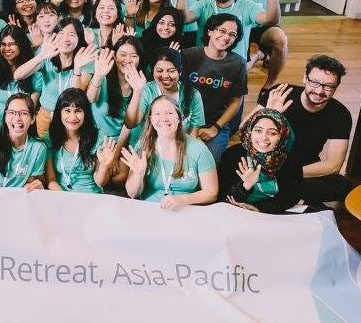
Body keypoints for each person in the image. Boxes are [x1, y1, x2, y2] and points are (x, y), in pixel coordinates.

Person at [249, 55, 353, 204]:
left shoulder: (340, 114)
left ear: (336, 87)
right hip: (268, 161)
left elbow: (333, 165)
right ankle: (288, 196)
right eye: (315, 82)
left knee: (344, 186)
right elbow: (244, 128)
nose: (319, 91)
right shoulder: (282, 93)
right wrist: (270, 113)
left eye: (328, 86)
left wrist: (289, 175)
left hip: (304, 168)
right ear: (305, 78)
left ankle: (275, 192)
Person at [121, 95, 218, 209]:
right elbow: (132, 194)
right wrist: (139, 174)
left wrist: (182, 199)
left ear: (179, 118)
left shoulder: (199, 149)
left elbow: (211, 193)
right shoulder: (143, 146)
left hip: (186, 211)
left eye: (170, 113)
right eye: (157, 114)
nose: (164, 118)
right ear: (151, 119)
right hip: (151, 209)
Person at [181, 13, 248, 162]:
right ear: (210, 31)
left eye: (232, 34)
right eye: (222, 31)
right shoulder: (188, 55)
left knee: (209, 163)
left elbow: (236, 101)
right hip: (185, 120)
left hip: (216, 123)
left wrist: (215, 128)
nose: (226, 37)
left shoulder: (238, 63)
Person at [219, 109, 304, 214]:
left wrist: (259, 208)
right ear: (250, 131)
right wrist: (245, 186)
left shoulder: (290, 158)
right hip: (236, 213)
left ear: (282, 135)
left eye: (272, 133)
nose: (264, 137)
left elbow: (292, 195)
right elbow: (223, 196)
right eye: (258, 131)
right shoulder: (232, 155)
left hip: (271, 215)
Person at [46, 88, 115, 193]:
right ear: (59, 113)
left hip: (91, 196)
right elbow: (51, 181)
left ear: (85, 113)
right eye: (67, 111)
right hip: (61, 196)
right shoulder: (50, 137)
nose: (72, 117)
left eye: (78, 111)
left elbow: (100, 183)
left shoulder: (98, 137)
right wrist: (65, 198)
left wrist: (104, 166)